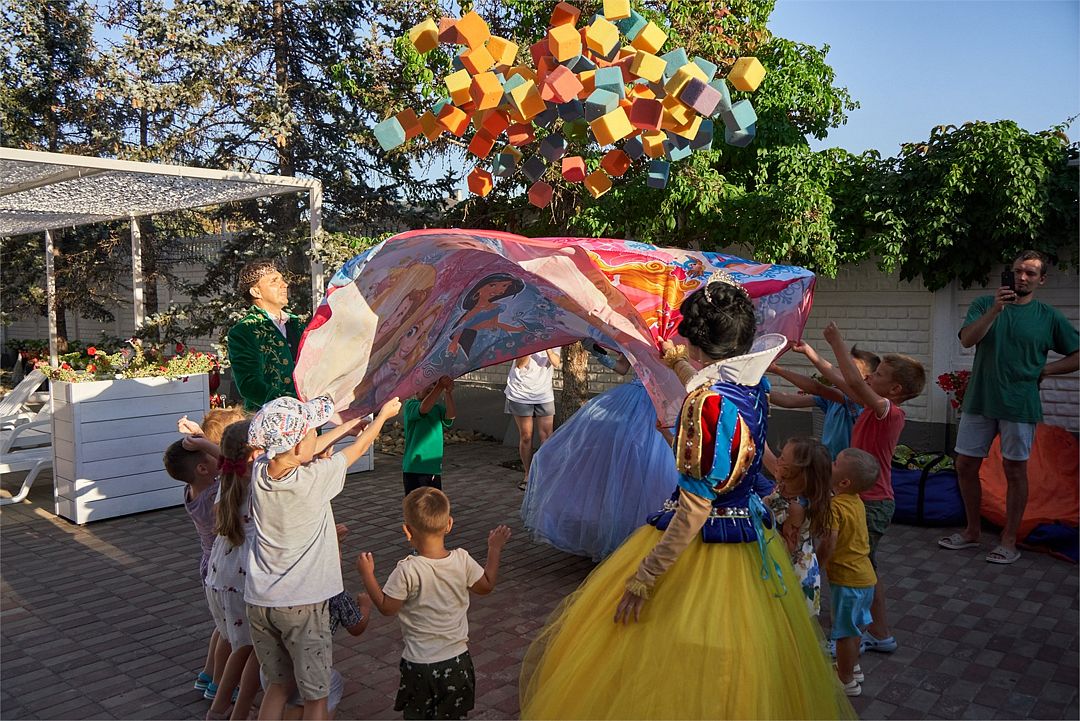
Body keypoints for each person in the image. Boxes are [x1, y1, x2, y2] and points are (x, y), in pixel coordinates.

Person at [518, 278, 855, 720]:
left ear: (697, 342)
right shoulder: (753, 387)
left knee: (670, 644)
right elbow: (710, 384)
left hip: (700, 543)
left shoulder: (705, 404)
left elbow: (695, 507)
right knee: (743, 651)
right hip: (747, 535)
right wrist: (676, 363)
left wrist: (645, 576)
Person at [244, 394, 401, 721]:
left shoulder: (259, 471)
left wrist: (345, 427)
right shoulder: (311, 480)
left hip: (260, 601)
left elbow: (303, 450)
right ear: (297, 447)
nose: (316, 435)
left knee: (277, 686)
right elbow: (357, 451)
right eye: (312, 431)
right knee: (317, 695)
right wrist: (381, 418)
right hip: (302, 605)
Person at [793, 322, 925, 655]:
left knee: (850, 570)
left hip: (871, 503)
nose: (870, 378)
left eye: (877, 375)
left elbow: (852, 380)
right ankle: (880, 634)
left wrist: (836, 340)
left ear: (894, 389)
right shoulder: (870, 406)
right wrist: (809, 353)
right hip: (863, 501)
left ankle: (848, 637)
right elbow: (837, 379)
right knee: (866, 568)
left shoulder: (887, 412)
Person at [939, 250, 1079, 565]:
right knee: (965, 465)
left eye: (1030, 273)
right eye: (1018, 271)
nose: (1022, 277)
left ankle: (1009, 540)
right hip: (979, 399)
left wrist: (1047, 370)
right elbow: (967, 340)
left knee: (1015, 470)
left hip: (1019, 404)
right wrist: (995, 310)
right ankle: (972, 531)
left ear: (1041, 280)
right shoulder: (983, 305)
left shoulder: (1048, 316)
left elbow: (1077, 354)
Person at [358, 488, 511, 720]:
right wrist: (494, 548)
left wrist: (367, 575)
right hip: (458, 662)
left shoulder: (407, 570)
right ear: (449, 524)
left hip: (419, 665)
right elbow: (487, 585)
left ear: (407, 530)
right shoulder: (462, 560)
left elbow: (387, 608)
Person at [520, 344, 678, 561]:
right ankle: (618, 531)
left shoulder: (675, 343)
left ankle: (651, 535)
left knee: (652, 466)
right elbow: (622, 368)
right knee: (621, 466)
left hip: (662, 406)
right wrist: (596, 352)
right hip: (632, 401)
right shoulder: (634, 339)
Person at [162, 436, 226, 701]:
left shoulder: (192, 491)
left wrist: (201, 441)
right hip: (224, 568)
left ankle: (208, 675)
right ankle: (222, 686)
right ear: (202, 468)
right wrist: (205, 445)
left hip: (210, 566)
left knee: (223, 627)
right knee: (232, 635)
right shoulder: (214, 494)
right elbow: (234, 465)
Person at [817, 448, 881, 696]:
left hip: (847, 579)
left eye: (835, 463)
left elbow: (829, 541)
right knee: (855, 627)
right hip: (865, 578)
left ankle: (845, 680)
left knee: (844, 632)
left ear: (844, 482)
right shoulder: (856, 502)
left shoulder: (835, 508)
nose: (830, 464)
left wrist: (818, 564)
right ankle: (852, 668)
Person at [768, 346, 880, 459]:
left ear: (867, 379)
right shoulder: (833, 399)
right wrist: (761, 392)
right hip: (829, 463)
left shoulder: (861, 402)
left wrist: (777, 369)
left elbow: (817, 388)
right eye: (843, 367)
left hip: (849, 465)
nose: (842, 372)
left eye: (849, 370)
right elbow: (789, 400)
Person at [763, 437, 832, 616]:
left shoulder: (796, 507)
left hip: (791, 571)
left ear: (798, 473)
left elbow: (788, 547)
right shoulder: (784, 487)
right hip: (783, 564)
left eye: (783, 459)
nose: (778, 460)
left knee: (787, 621)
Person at [227, 260, 304, 412]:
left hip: (308, 416)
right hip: (268, 418)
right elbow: (249, 384)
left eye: (282, 280)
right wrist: (290, 404)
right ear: (256, 292)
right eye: (274, 281)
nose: (284, 285)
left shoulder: (297, 325)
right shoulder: (245, 330)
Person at [504, 349, 560, 491]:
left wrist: (547, 347)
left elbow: (556, 363)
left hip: (544, 393)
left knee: (547, 437)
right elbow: (520, 364)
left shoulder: (552, 339)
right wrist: (531, 347)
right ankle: (528, 475)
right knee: (526, 436)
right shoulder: (524, 339)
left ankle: (544, 474)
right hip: (520, 392)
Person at [402, 376, 456, 496]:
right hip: (415, 468)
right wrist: (439, 386)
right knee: (417, 504)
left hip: (433, 467)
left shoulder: (437, 409)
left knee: (434, 503)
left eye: (434, 384)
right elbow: (423, 409)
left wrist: (448, 393)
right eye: (428, 383)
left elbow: (451, 416)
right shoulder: (410, 405)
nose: (432, 387)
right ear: (415, 390)